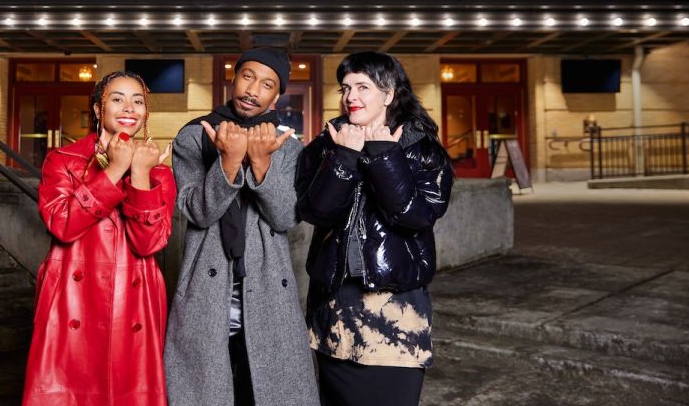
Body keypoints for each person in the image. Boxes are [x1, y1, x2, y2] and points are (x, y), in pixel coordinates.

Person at [295, 51, 454, 406]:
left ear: (389, 94)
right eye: (346, 87)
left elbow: (416, 216)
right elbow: (314, 211)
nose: (350, 96)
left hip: (394, 311)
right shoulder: (328, 144)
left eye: (362, 87)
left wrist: (383, 154)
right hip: (333, 307)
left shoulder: (421, 149)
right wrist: (344, 158)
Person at [164, 47, 319, 406]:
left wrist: (262, 164)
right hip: (206, 285)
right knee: (208, 390)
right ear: (234, 78)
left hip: (267, 288)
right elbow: (197, 212)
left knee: (266, 391)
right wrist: (229, 162)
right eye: (248, 76)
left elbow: (285, 218)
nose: (253, 89)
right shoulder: (195, 135)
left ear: (276, 96)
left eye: (267, 84)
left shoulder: (286, 146)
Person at [22, 71, 175, 406]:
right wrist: (115, 171)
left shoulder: (157, 169)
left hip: (133, 302)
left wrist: (138, 173)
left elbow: (148, 243)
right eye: (117, 99)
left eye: (138, 101)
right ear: (96, 109)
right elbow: (62, 225)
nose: (129, 108)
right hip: (72, 297)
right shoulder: (63, 160)